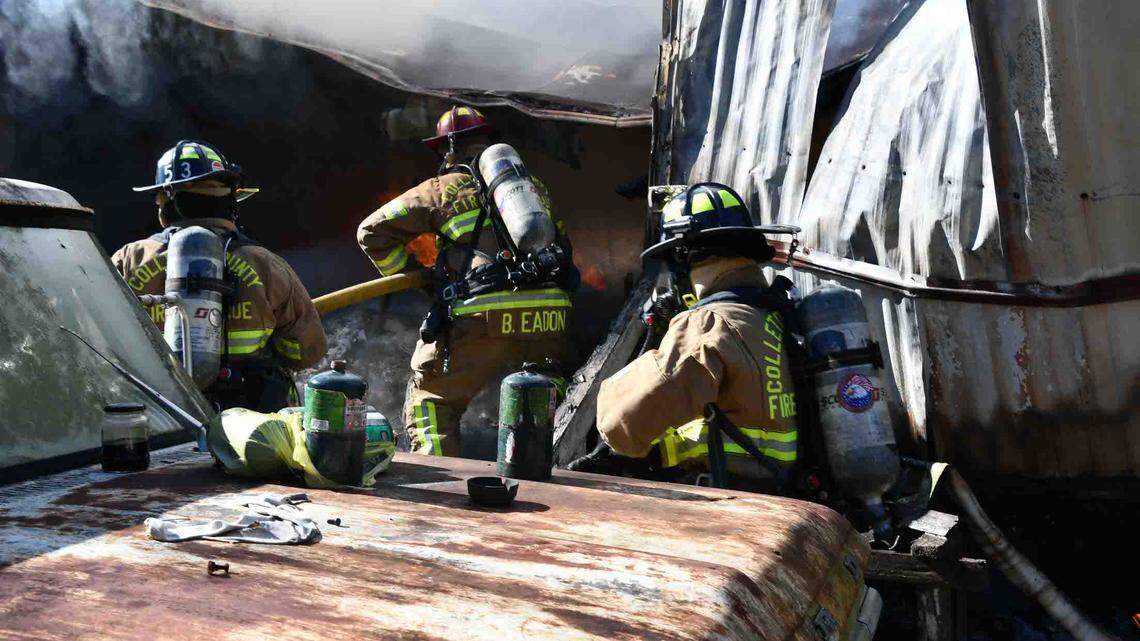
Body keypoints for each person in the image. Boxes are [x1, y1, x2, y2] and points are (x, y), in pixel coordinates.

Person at [356, 106, 578, 457]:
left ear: (449, 148)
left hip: (483, 313)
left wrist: (419, 278)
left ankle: (443, 481)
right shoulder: (531, 189)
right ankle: (539, 468)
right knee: (541, 394)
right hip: (549, 315)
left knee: (432, 403)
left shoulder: (441, 189)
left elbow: (370, 232)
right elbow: (561, 245)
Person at [572, 182, 799, 487]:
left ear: (682, 260)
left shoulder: (710, 324)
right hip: (782, 495)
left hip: (727, 503)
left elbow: (622, 425)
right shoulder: (773, 315)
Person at [113, 139, 327, 411]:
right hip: (249, 419)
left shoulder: (129, 258)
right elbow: (307, 351)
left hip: (159, 415)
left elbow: (95, 333)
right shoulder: (265, 264)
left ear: (166, 203)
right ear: (230, 202)